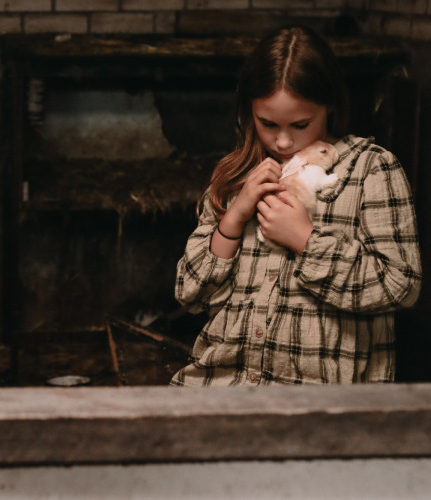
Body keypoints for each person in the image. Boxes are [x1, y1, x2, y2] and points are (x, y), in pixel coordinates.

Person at [171, 25, 422, 386]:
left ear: (330, 105)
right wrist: (235, 218)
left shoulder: (371, 169)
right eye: (268, 123)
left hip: (319, 400)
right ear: (249, 111)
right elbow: (189, 295)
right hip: (221, 388)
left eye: (301, 124)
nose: (284, 140)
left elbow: (401, 284)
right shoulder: (240, 174)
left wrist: (306, 240)